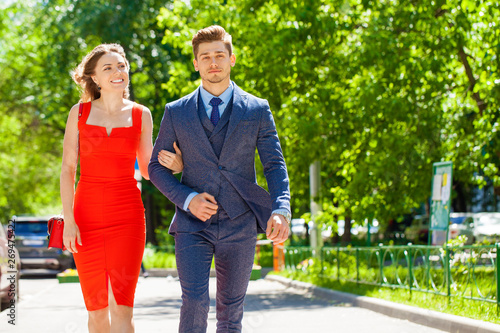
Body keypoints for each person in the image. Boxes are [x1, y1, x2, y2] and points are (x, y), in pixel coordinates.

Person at [148, 25, 291, 332]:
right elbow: (156, 168)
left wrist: (281, 209)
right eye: (205, 57)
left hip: (239, 222)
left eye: (219, 55)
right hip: (191, 224)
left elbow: (274, 165)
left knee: (231, 309)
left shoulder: (256, 109)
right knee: (195, 301)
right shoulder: (177, 112)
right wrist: (188, 199)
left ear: (232, 59)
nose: (213, 62)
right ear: (196, 63)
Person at [60, 43, 182, 333]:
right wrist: (69, 221)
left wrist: (177, 166)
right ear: (94, 78)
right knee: (97, 310)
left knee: (122, 307)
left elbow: (149, 167)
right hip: (85, 218)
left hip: (127, 218)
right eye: (108, 68)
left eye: (122, 66)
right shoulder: (78, 113)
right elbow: (67, 169)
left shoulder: (142, 114)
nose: (118, 71)